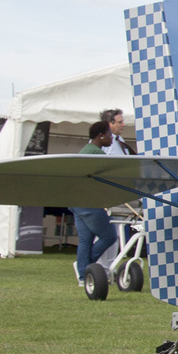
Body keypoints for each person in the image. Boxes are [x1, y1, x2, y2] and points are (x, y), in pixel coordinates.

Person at [72, 121, 120, 286]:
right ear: (101, 136)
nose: (112, 139)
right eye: (109, 135)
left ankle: (82, 277)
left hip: (75, 202)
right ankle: (85, 268)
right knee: (110, 236)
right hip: (88, 203)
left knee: (85, 240)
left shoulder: (85, 151)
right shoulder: (97, 154)